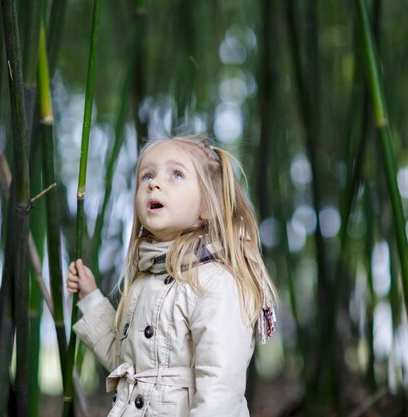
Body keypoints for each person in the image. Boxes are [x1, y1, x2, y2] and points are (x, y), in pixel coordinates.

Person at [66, 136, 277, 416]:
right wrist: (91, 298)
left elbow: (220, 391)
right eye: (146, 176)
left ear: (208, 206)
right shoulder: (144, 281)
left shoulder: (215, 283)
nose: (154, 183)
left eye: (176, 174)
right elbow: (127, 361)